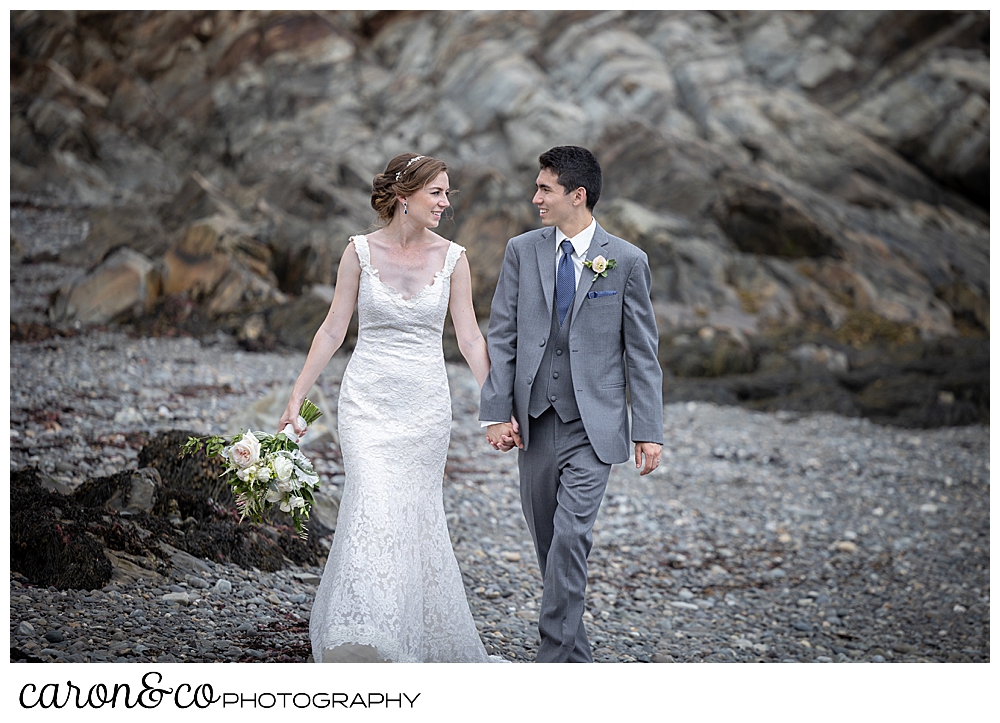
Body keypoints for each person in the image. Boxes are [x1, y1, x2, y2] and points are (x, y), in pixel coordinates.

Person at [278, 153, 505, 662]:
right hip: (367, 404)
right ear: (405, 196)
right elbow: (334, 327)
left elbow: (469, 337)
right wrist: (298, 393)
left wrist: (497, 405)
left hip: (425, 406)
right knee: (371, 505)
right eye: (438, 193)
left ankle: (407, 635)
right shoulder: (358, 251)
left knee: (414, 513)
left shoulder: (455, 258)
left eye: (448, 194)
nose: (446, 203)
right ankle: (366, 635)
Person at [479, 145, 664, 662]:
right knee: (548, 544)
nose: (535, 197)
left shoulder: (626, 261)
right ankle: (576, 661)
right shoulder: (522, 250)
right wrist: (497, 411)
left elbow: (642, 353)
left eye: (545, 189)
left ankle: (552, 662)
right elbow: (504, 335)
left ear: (576, 196)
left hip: (594, 427)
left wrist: (648, 428)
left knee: (571, 538)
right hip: (535, 424)